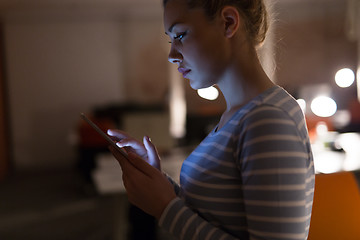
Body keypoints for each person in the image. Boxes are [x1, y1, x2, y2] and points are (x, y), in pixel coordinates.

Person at [107, 0, 315, 239]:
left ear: (228, 22)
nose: (172, 55)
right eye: (170, 39)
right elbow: (215, 216)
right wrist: (159, 185)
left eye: (181, 35)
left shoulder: (269, 119)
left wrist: (164, 207)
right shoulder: (239, 115)